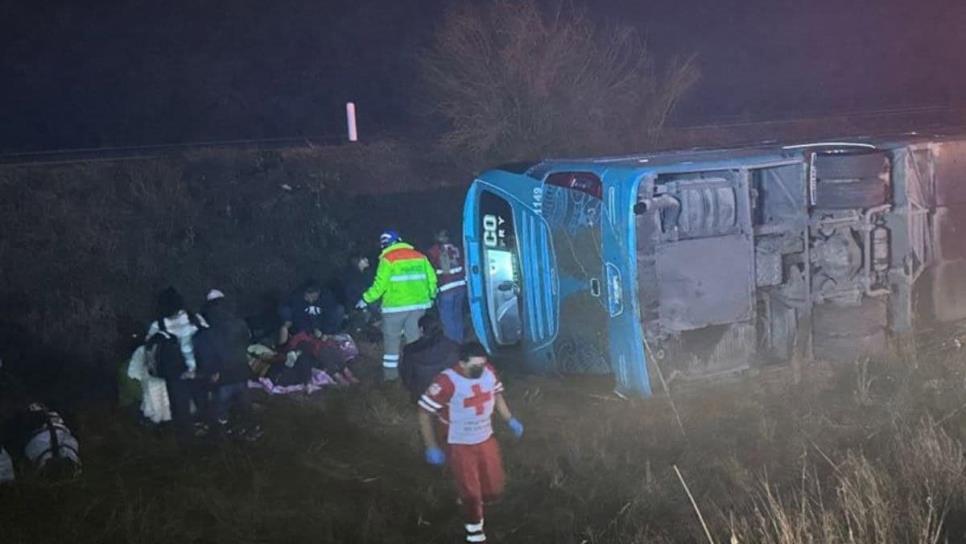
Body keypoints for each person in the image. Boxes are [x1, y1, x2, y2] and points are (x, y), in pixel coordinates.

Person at [417, 342, 524, 544]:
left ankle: (478, 505)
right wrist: (431, 446)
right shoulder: (447, 381)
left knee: (493, 486)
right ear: (462, 363)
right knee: (471, 490)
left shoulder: (488, 372)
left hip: (485, 437)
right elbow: (424, 411)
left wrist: (509, 419)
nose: (480, 369)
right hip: (459, 442)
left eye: (482, 364)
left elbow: (497, 395)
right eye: (475, 366)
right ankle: (475, 531)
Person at [357, 230, 437, 380]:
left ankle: (391, 379)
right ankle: (418, 374)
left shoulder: (387, 259)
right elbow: (431, 280)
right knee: (415, 341)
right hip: (418, 307)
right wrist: (431, 297)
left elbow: (379, 286)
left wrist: (365, 299)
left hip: (394, 309)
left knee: (392, 344)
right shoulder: (420, 257)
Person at [146, 286, 209, 438]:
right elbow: (209, 339)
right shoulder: (196, 318)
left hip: (175, 375)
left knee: (181, 411)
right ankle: (208, 436)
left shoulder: (157, 325)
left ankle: (187, 442)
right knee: (203, 404)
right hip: (198, 370)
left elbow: (149, 349)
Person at [200, 290, 260, 439]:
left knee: (221, 403)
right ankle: (250, 429)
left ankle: (223, 430)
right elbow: (246, 340)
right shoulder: (238, 322)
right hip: (240, 369)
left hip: (222, 374)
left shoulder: (209, 328)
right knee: (244, 400)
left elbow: (206, 351)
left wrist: (212, 371)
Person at [400, 313, 459, 403]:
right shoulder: (453, 346)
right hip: (450, 394)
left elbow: (407, 378)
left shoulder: (410, 350)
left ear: (421, 329)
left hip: (423, 396)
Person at [427, 229, 467, 343]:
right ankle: (459, 342)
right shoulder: (456, 247)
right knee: (457, 316)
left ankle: (451, 345)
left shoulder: (435, 250)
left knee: (447, 319)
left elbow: (438, 270)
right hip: (460, 286)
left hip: (446, 287)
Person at [278, 280, 344, 349]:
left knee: (339, 309)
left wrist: (325, 332)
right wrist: (312, 330)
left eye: (314, 297)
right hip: (305, 327)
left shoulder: (326, 297)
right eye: (308, 297)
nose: (311, 300)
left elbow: (330, 314)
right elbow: (298, 316)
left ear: (318, 293)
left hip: (322, 326)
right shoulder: (297, 298)